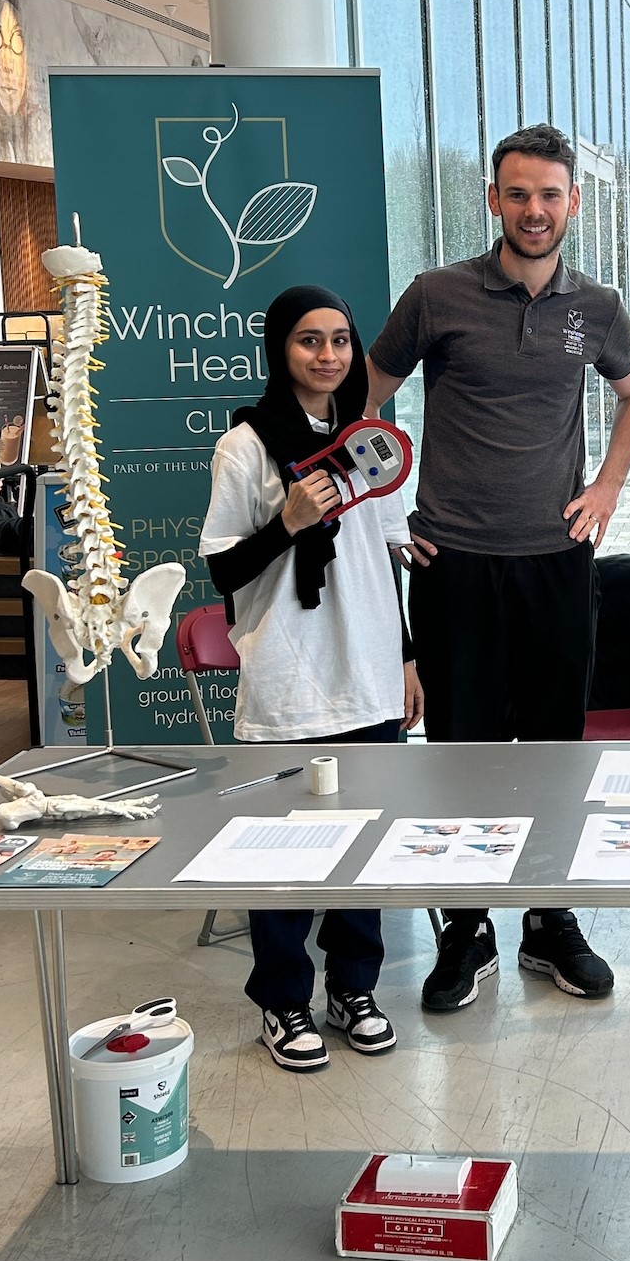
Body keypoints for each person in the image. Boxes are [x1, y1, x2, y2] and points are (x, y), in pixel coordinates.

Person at [364, 122, 630, 1011]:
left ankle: (550, 919)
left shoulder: (596, 308)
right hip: (454, 564)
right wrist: (382, 513)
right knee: (460, 755)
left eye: (551, 194)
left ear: (573, 202)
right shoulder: (435, 295)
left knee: (557, 753)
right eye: (518, 192)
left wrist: (606, 486)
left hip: (556, 564)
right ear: (492, 198)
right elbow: (366, 401)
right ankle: (466, 923)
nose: (535, 209)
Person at [201, 285, 424, 1072]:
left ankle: (353, 989)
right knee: (280, 853)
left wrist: (403, 657)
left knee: (364, 847)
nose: (327, 355)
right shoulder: (248, 445)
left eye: (338, 339)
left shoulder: (374, 439)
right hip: (289, 683)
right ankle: (284, 1001)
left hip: (368, 676)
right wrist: (288, 522)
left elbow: (383, 564)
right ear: (279, 349)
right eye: (308, 341)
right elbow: (224, 567)